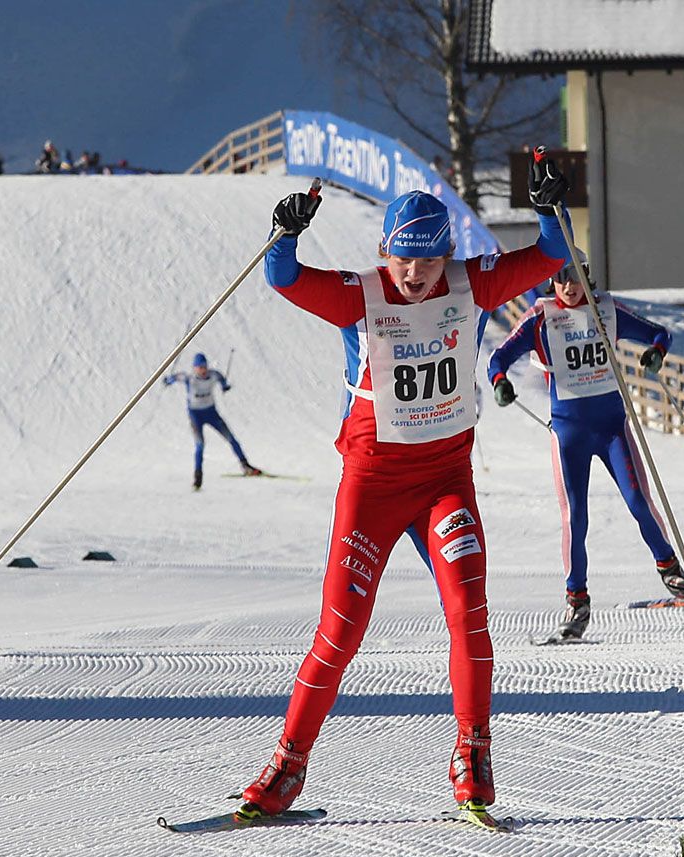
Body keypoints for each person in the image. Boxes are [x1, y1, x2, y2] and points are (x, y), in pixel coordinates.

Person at [236, 157, 573, 822]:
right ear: (383, 251)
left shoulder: (473, 284)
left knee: (468, 609)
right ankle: (287, 764)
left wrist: (546, 206)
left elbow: (555, 256)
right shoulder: (361, 294)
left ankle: (473, 750)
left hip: (446, 481)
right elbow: (282, 277)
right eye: (401, 261)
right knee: (340, 629)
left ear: (446, 254)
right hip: (374, 484)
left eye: (425, 262)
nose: (413, 275)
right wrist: (285, 232)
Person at [487, 252, 684, 640]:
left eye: (575, 278)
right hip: (569, 432)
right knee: (576, 518)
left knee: (639, 500)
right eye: (561, 279)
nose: (569, 287)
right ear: (551, 283)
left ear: (587, 278)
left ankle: (670, 570)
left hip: (611, 428)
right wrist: (500, 382)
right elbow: (499, 357)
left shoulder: (605, 309)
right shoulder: (540, 318)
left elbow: (661, 334)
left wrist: (655, 353)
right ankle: (577, 599)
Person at [162, 352, 260, 489]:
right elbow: (175, 377)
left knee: (230, 438)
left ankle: (245, 466)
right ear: (194, 368)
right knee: (200, 444)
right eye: (199, 367)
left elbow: (222, 379)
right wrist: (168, 380)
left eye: (204, 367)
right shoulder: (189, 378)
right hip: (195, 415)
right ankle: (198, 476)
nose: (202, 370)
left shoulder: (213, 375)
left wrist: (225, 386)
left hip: (211, 413)